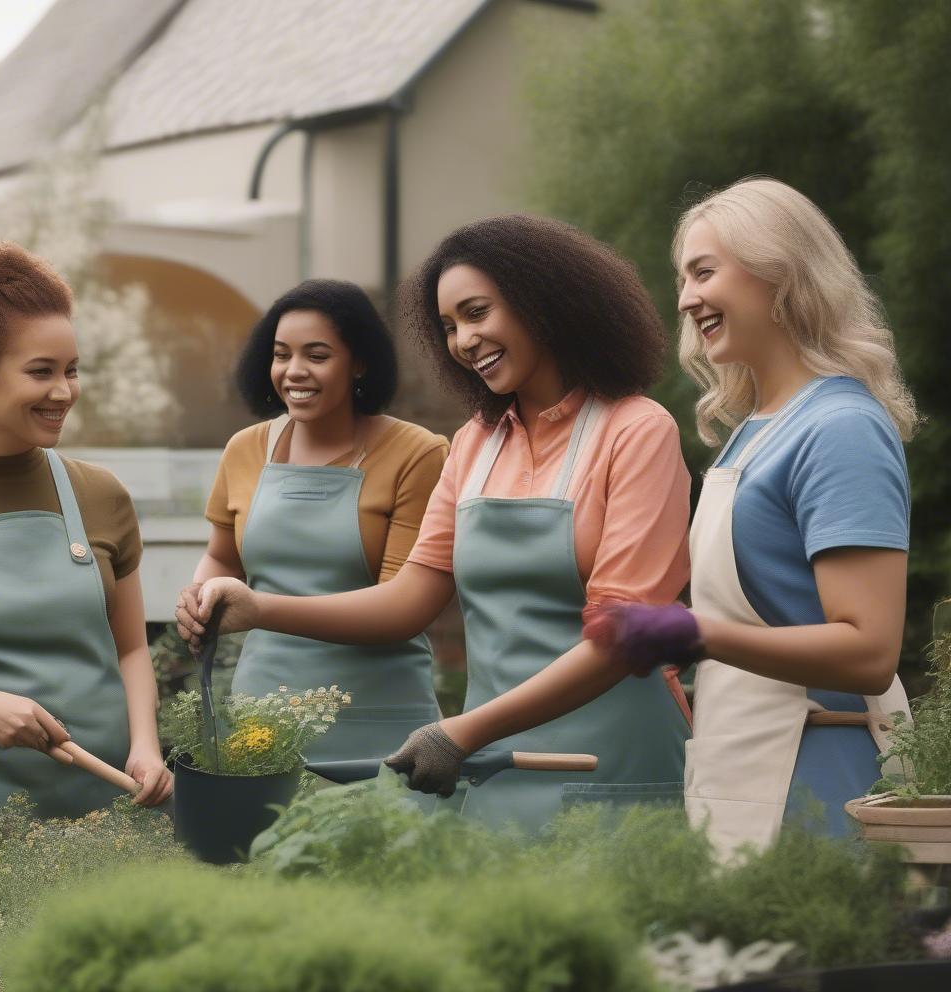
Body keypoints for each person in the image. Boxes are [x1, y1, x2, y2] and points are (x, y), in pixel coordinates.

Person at [383, 180, 915, 856]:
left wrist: (694, 632)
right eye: (682, 277)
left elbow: (869, 652)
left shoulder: (839, 427)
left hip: (816, 774)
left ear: (780, 269)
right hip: (747, 763)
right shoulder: (758, 429)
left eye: (703, 271)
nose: (686, 298)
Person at [177, 217, 693, 833]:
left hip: (614, 760)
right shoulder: (474, 443)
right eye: (449, 327)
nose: (464, 341)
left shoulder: (637, 430)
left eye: (477, 314)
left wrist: (463, 732)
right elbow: (410, 598)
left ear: (545, 303)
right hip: (499, 765)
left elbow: (625, 637)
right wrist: (256, 608)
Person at [0, 241, 170, 816]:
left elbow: (132, 648)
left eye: (72, 370)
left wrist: (146, 746)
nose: (64, 392)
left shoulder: (100, 495)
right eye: (41, 372)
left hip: (106, 815)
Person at [176, 280, 448, 761]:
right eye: (281, 355)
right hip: (262, 717)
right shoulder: (245, 448)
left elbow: (401, 610)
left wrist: (259, 609)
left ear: (359, 362)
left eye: (317, 355)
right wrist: (203, 598)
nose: (294, 371)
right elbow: (221, 556)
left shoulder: (417, 453)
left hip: (379, 721)